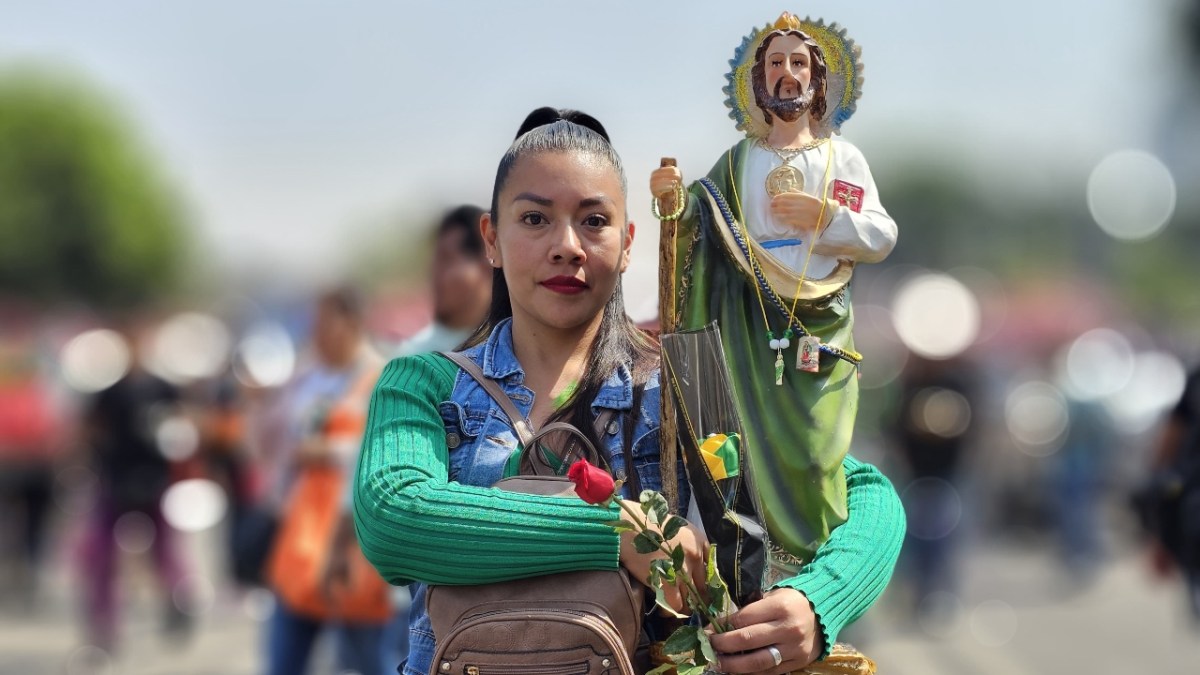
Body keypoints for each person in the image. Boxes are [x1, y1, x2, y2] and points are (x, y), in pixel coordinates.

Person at [354, 107, 904, 675]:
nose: (567, 246)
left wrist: (817, 604)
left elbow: (862, 493)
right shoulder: (423, 384)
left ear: (627, 244)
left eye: (594, 221)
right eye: (535, 219)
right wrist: (617, 530)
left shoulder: (686, 383)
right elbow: (393, 517)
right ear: (492, 238)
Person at [649, 12, 897, 576]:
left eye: (799, 63)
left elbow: (881, 235)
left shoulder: (841, 158)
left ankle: (812, 579)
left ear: (819, 79)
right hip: (744, 319)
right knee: (737, 451)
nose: (788, 74)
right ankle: (744, 582)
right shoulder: (739, 162)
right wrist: (672, 202)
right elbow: (699, 221)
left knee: (815, 456)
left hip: (817, 320)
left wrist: (826, 216)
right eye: (777, 63)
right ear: (758, 80)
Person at [322, 205, 493, 670]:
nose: (434, 277)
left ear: (489, 259)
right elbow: (370, 466)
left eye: (446, 261)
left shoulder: (518, 349)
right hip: (411, 600)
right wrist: (340, 546)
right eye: (432, 263)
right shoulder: (415, 359)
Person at [261, 288, 390, 675]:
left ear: (352, 323)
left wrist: (329, 452)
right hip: (301, 534)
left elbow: (384, 454)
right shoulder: (305, 380)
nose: (316, 333)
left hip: (354, 545)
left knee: (369, 658)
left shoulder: (380, 380)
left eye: (324, 323)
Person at [78, 318, 191, 653]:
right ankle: (104, 623)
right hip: (115, 478)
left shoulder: (163, 388)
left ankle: (177, 604)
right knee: (100, 554)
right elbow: (89, 428)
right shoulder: (108, 391)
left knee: (167, 552)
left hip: (155, 478)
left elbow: (183, 426)